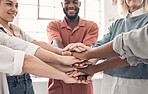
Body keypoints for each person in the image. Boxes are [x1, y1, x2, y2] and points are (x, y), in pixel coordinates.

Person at [0, 0, 82, 94]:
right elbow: (26, 55)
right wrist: (61, 60)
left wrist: (62, 52)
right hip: (9, 83)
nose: (14, 9)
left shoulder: (15, 29)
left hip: (26, 80)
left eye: (16, 6)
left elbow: (36, 44)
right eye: (9, 4)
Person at [67, 0, 148, 94]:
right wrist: (87, 63)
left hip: (138, 82)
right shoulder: (117, 23)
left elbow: (134, 55)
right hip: (109, 81)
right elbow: (101, 45)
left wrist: (87, 56)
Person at [0, 32, 80, 94]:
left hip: (26, 78)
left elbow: (28, 46)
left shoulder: (13, 31)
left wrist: (62, 58)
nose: (14, 10)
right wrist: (64, 74)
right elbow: (25, 61)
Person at [46, 0, 99, 93]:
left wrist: (66, 55)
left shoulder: (92, 26)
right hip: (58, 84)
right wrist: (78, 54)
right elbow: (56, 45)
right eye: (67, 2)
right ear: (62, 4)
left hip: (82, 83)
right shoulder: (53, 25)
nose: (71, 6)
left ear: (80, 4)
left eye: (75, 2)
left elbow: (87, 50)